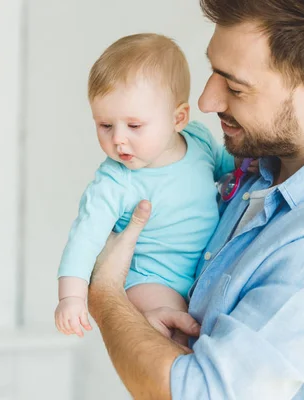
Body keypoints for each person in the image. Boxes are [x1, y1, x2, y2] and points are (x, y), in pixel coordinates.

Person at [88, 0, 304, 399]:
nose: (207, 102)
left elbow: (198, 393)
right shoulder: (257, 170)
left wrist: (105, 294)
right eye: (213, 71)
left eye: (235, 87)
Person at [54, 33, 240, 342]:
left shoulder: (198, 140)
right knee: (179, 333)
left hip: (200, 271)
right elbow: (83, 239)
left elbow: (230, 166)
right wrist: (70, 297)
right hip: (150, 281)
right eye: (105, 125)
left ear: (178, 118)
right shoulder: (115, 181)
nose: (118, 139)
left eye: (134, 126)